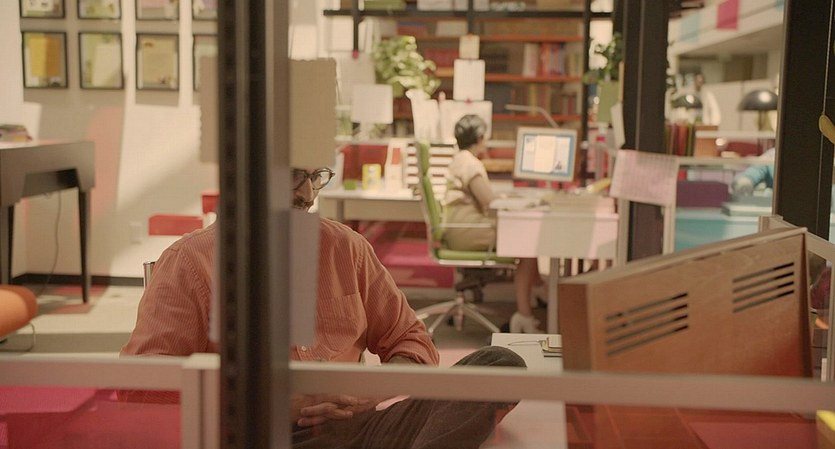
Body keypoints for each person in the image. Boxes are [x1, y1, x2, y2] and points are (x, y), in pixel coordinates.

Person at [121, 165, 527, 448]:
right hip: (254, 435)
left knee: (499, 365)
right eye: (294, 175)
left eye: (316, 175)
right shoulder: (191, 261)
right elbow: (140, 389)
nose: (307, 192)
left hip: (359, 431)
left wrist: (366, 392)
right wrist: (274, 404)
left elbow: (413, 343)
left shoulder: (345, 248)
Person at [441, 114, 544, 333]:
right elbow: (489, 202)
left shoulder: (459, 159)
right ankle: (525, 315)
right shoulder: (470, 164)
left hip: (459, 229)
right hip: (469, 232)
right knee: (528, 245)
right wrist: (515, 201)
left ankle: (538, 291)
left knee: (527, 240)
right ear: (480, 138)